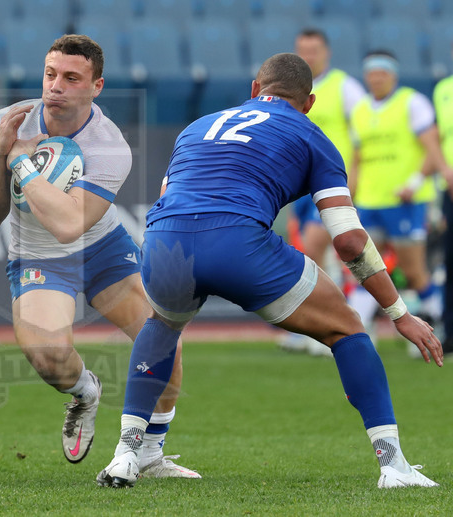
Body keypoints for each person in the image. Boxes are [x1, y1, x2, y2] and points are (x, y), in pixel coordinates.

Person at [96, 53, 443, 489]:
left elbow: (170, 198)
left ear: (255, 88)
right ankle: (394, 467)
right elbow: (350, 241)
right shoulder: (313, 135)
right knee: (348, 330)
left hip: (165, 242)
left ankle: (127, 453)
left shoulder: (197, 126)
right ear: (310, 102)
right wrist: (399, 314)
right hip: (236, 243)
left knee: (162, 325)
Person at [0, 34, 198, 478]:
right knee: (48, 356)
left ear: (96, 86)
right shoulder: (5, 124)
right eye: (50, 74)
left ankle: (150, 454)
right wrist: (1, 151)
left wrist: (20, 164)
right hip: (38, 255)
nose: (55, 86)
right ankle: (84, 392)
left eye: (71, 78)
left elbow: (70, 224)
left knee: (163, 341)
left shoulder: (108, 145)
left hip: (102, 248)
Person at [348, 50, 452, 357]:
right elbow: (357, 159)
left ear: (392, 74)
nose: (375, 78)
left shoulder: (412, 103)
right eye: (371, 72)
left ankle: (434, 326)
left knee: (413, 270)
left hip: (404, 202)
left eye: (381, 72)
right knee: (365, 266)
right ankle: (358, 330)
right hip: (370, 200)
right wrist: (349, 195)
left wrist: (416, 182)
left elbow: (432, 147)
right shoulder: (361, 109)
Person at [280, 28, 367, 356]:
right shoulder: (291, 90)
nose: (309, 56)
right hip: (297, 188)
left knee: (315, 250)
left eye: (314, 50)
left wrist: (352, 182)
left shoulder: (346, 88)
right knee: (304, 254)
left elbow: (362, 139)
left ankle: (333, 324)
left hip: (328, 184)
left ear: (327, 52)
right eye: (303, 50)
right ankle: (316, 325)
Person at [431, 48, 453, 356]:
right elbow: (436, 138)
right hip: (450, 190)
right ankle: (449, 332)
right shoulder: (443, 89)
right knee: (451, 262)